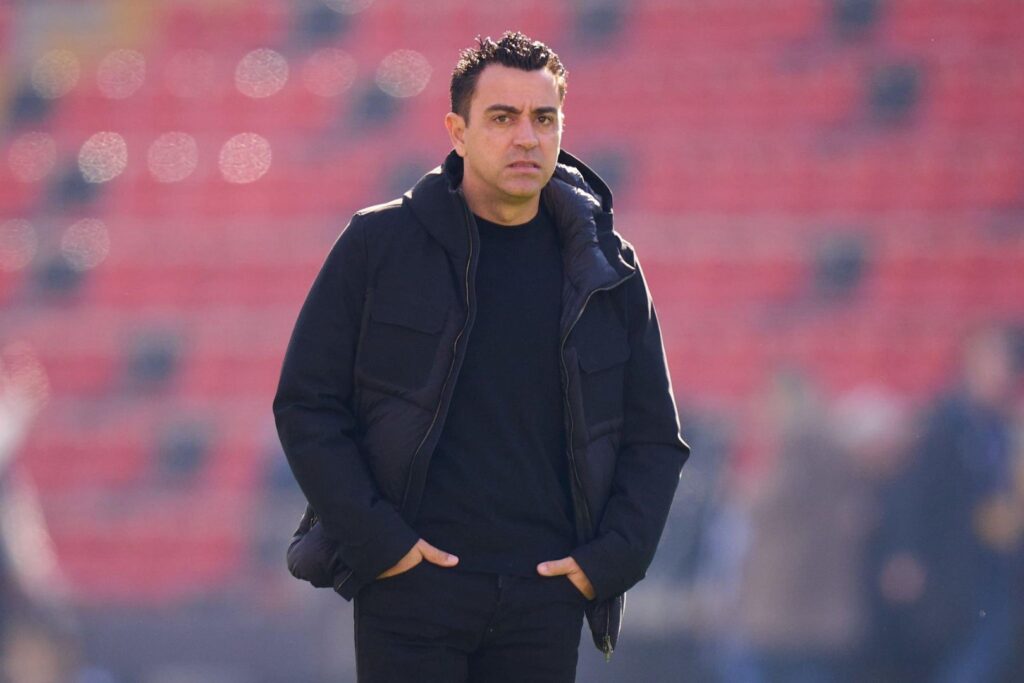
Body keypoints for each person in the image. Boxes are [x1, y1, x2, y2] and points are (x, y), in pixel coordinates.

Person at [273, 31, 690, 683]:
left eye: (543, 118)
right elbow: (307, 405)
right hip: (410, 596)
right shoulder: (379, 244)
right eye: (502, 117)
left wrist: (609, 561)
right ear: (457, 131)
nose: (526, 136)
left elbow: (654, 439)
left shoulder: (608, 268)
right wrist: (383, 545)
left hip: (545, 601)